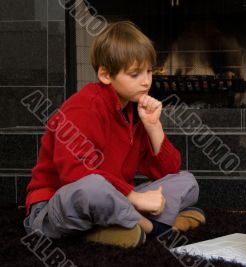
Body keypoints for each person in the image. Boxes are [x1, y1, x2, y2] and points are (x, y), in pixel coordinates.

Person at [23, 21, 205, 248]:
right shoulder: (82, 108)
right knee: (93, 188)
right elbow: (76, 176)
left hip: (116, 200)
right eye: (135, 74)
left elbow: (166, 171)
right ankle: (153, 228)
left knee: (187, 182)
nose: (147, 81)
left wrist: (154, 126)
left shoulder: (132, 111)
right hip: (54, 206)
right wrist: (136, 198)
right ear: (106, 74)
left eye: (149, 71)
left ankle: (113, 226)